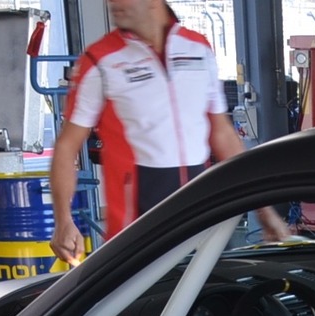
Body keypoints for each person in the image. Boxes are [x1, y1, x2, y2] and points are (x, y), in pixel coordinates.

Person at [49, 0, 285, 263]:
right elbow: (67, 146)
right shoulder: (99, 60)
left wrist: (264, 210)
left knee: (216, 292)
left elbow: (223, 135)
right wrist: (63, 220)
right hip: (138, 213)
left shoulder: (197, 47)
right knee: (148, 301)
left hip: (201, 202)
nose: (112, 3)